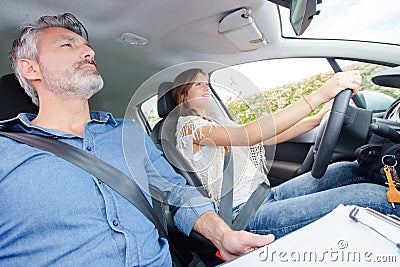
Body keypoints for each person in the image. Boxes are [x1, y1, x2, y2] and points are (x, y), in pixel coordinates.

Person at [0, 13, 276, 266]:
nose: (89, 52)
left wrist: (221, 235)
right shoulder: (6, 152)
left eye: (86, 46)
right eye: (67, 45)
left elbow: (178, 194)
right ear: (31, 69)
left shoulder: (127, 133)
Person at [171, 68, 400, 239]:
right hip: (246, 215)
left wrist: (318, 119)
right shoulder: (189, 127)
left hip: (264, 195)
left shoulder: (213, 123)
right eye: (199, 84)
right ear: (183, 93)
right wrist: (317, 96)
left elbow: (269, 137)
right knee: (374, 197)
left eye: (207, 83)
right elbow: (247, 135)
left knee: (349, 169)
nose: (206, 87)